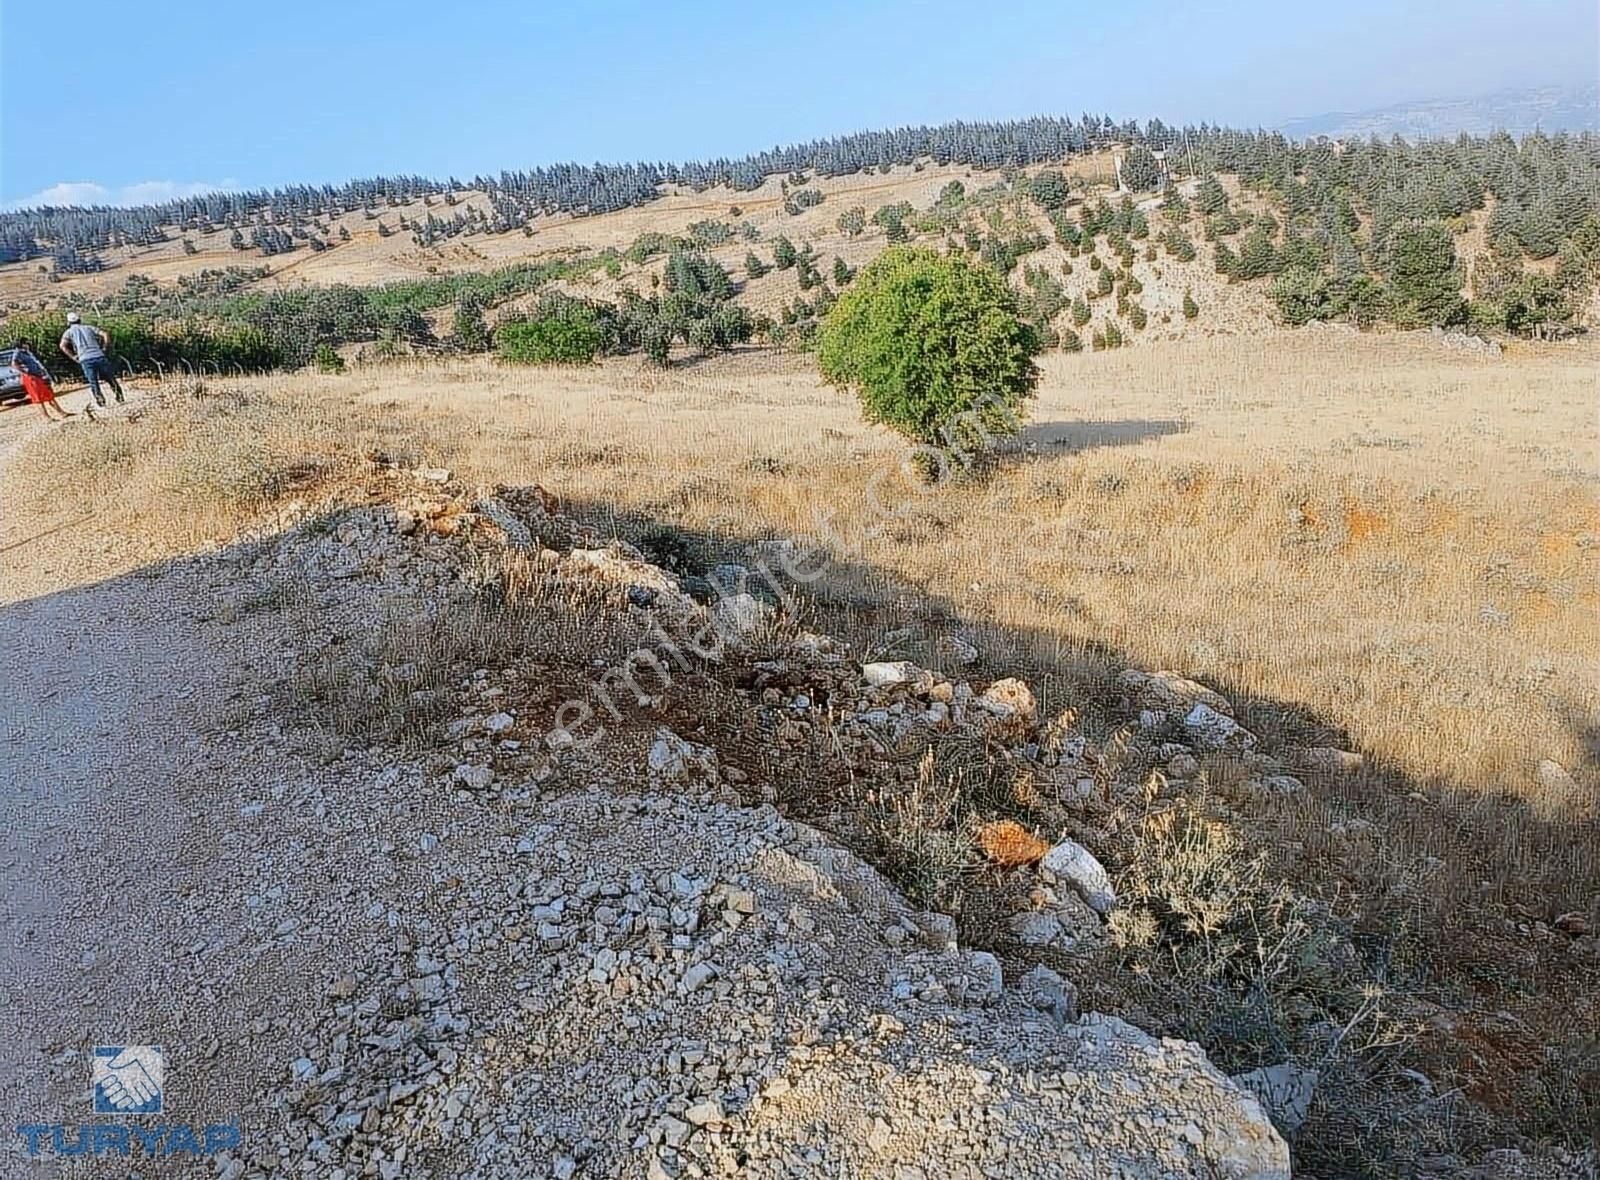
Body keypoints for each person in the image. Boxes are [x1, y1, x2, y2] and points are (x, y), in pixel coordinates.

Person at [58, 311, 125, 407]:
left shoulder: (68, 332)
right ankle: (119, 397)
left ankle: (101, 401)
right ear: (79, 320)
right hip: (99, 355)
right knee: (110, 378)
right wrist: (105, 348)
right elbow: (105, 334)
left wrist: (73, 357)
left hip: (85, 359)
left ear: (68, 323)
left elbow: (62, 346)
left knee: (93, 382)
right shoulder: (89, 327)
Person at [12, 341, 76, 422]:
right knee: (38, 399)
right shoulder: (18, 353)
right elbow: (14, 363)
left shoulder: (28, 352)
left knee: (48, 395)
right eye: (26, 343)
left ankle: (62, 413)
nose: (28, 344)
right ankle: (47, 418)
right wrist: (25, 371)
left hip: (38, 376)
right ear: (21, 344)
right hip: (31, 378)